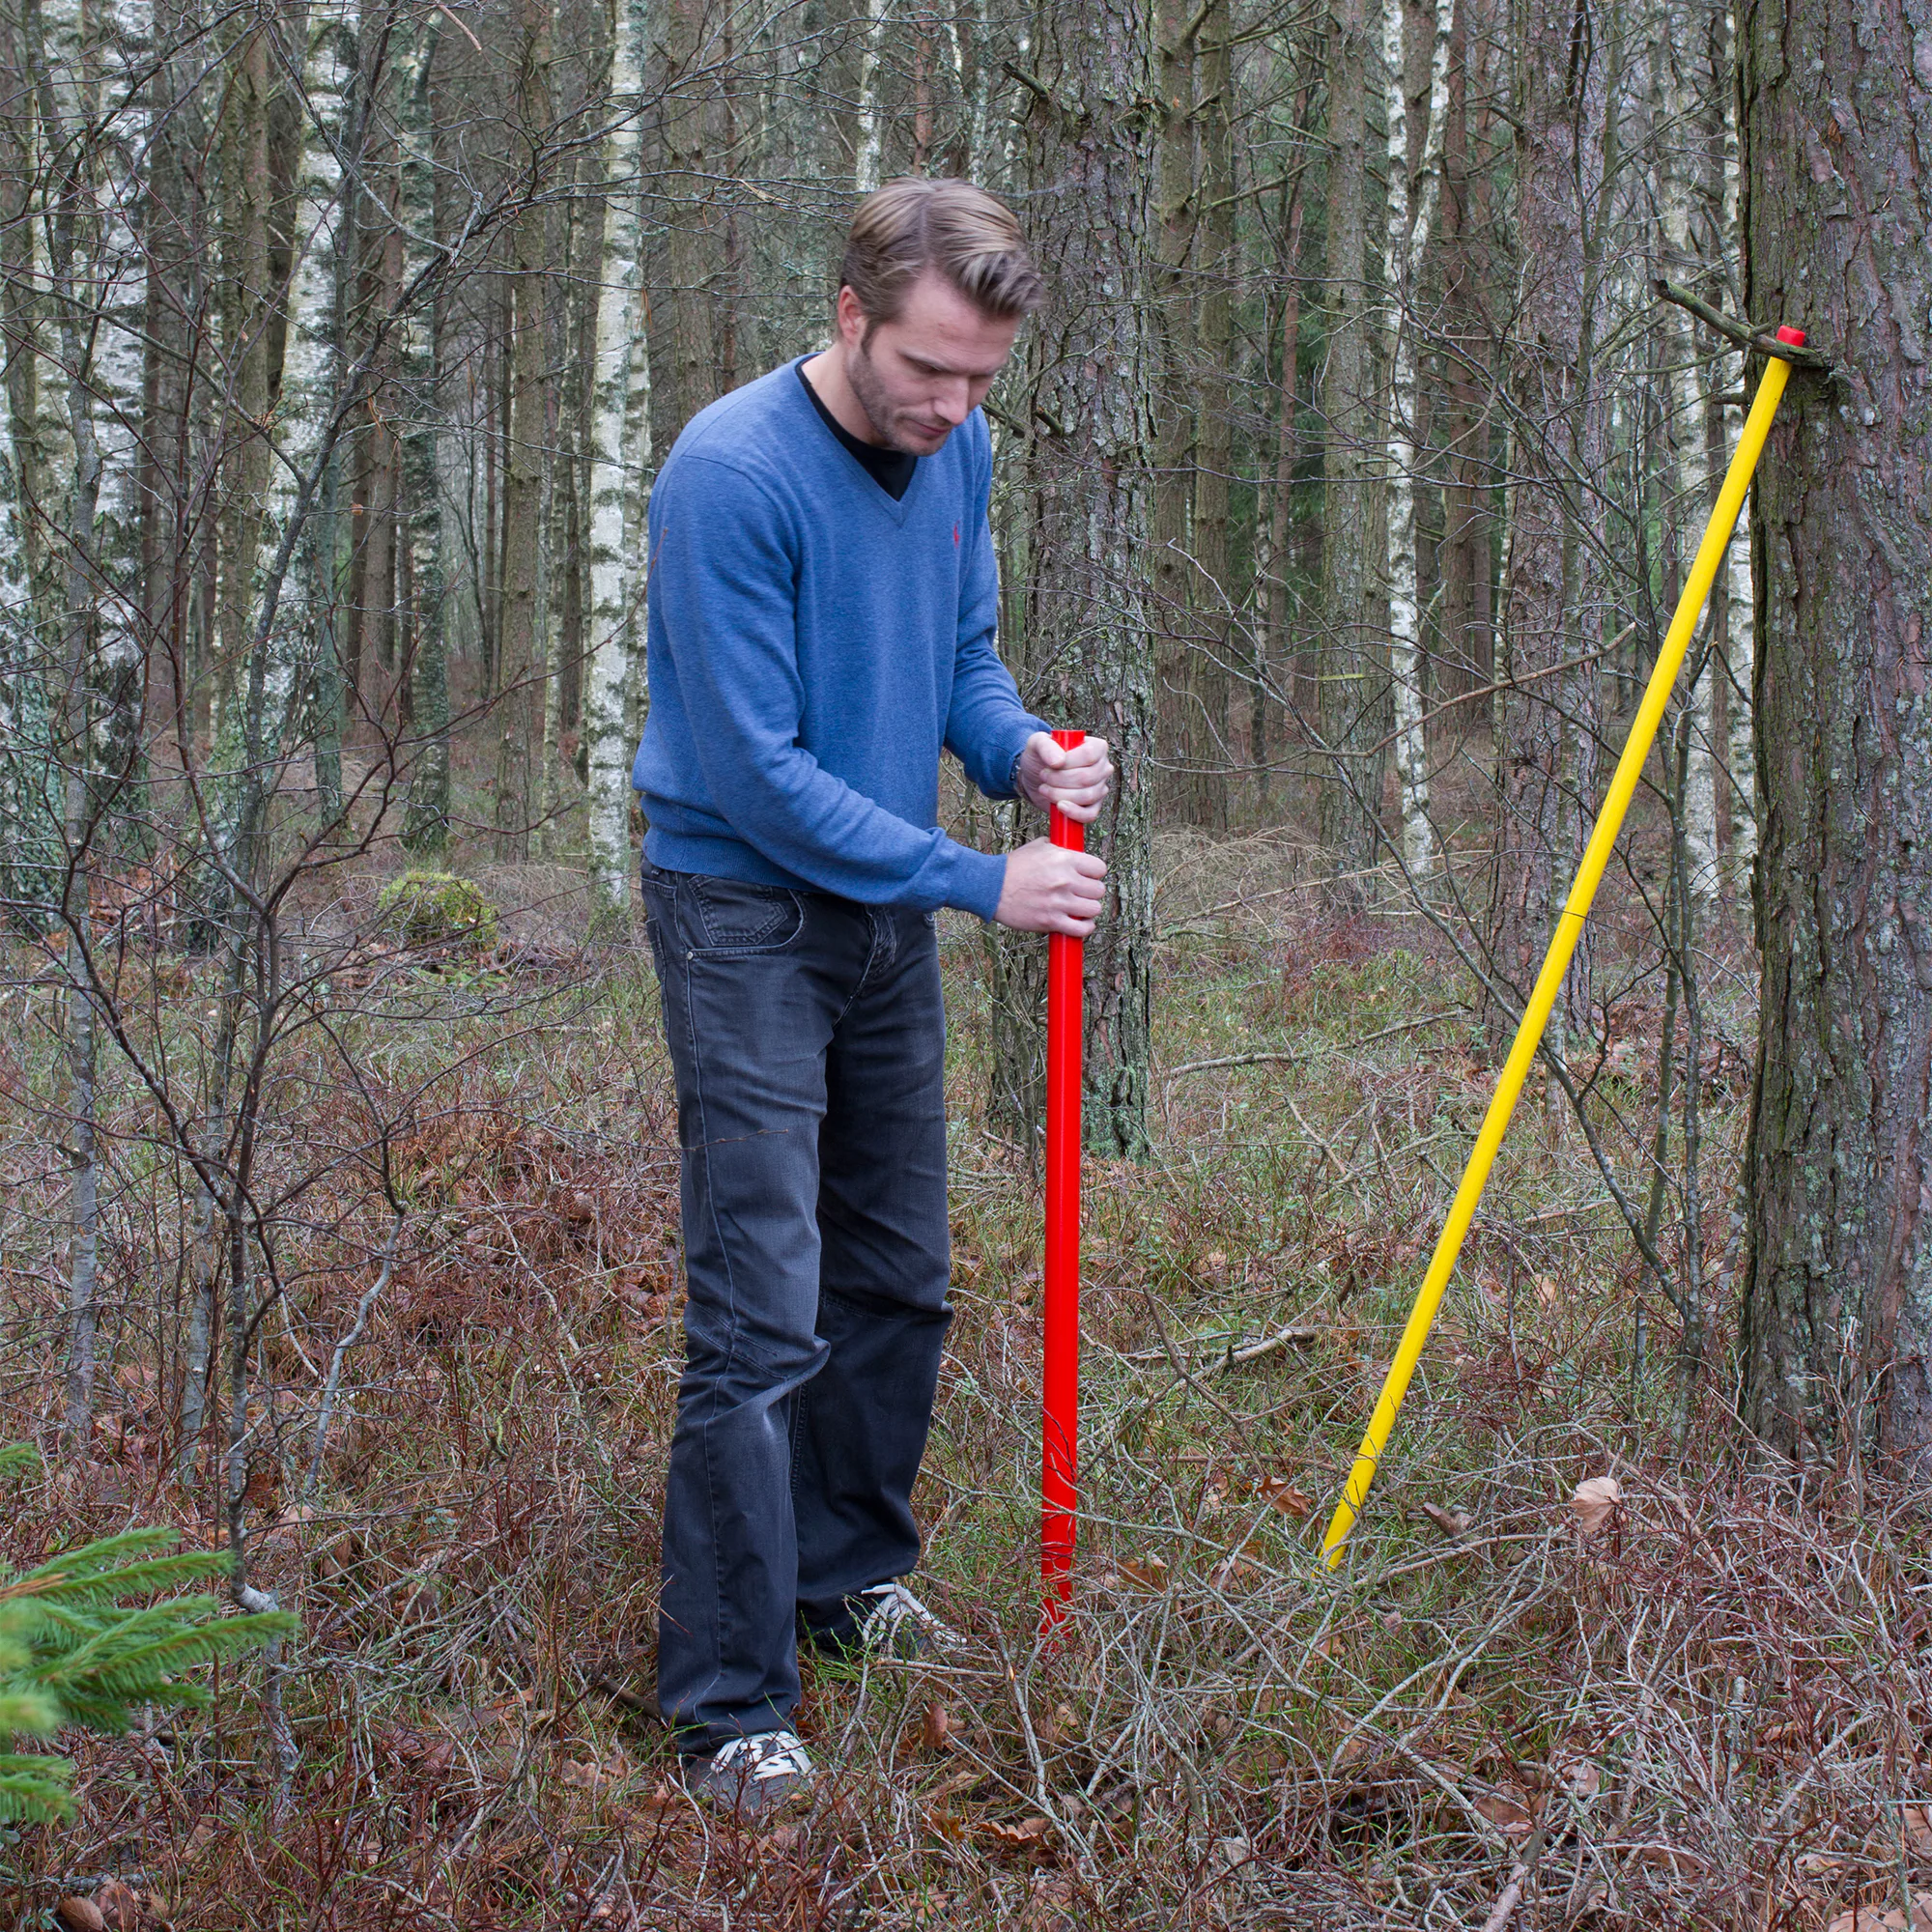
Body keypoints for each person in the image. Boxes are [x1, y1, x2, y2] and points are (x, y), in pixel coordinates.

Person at [631, 178, 1114, 1817]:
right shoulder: (733, 475)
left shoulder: (956, 454)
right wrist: (985, 878)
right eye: (928, 368)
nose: (952, 407)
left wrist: (1023, 750)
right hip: (743, 910)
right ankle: (726, 1700)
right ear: (849, 315)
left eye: (981, 379)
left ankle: (842, 1582)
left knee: (897, 1275)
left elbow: (961, 663)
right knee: (763, 1311)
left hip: (878, 911)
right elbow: (758, 781)